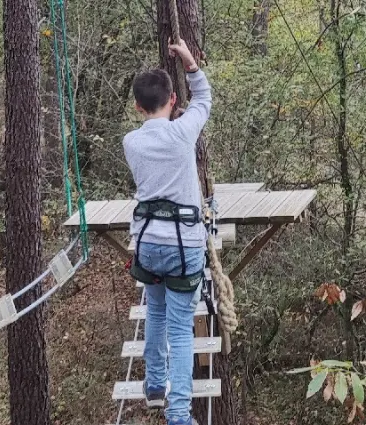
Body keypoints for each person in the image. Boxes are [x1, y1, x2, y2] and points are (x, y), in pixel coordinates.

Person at [122, 39, 212, 425]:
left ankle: (155, 384)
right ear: (173, 100)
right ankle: (179, 414)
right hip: (184, 243)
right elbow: (204, 100)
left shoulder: (131, 142)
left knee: (155, 310)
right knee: (179, 327)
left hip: (147, 243)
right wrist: (190, 62)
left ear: (138, 108)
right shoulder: (182, 134)